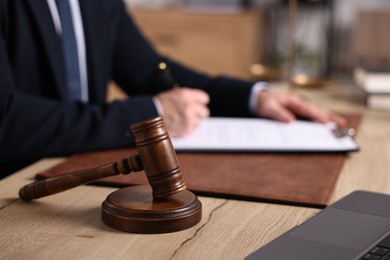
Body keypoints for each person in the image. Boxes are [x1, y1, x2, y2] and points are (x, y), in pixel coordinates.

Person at [0, 0, 345, 177]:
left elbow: (154, 73)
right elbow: (7, 120)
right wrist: (151, 114)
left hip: (83, 170)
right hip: (15, 187)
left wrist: (254, 97)